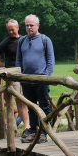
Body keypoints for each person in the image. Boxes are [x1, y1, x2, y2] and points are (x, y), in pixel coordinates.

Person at [16, 14, 55, 143]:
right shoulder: (22, 41)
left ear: (37, 25)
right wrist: (20, 75)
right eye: (27, 25)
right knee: (30, 106)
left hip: (41, 80)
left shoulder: (45, 40)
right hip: (26, 80)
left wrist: (46, 76)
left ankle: (44, 132)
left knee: (44, 106)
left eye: (31, 25)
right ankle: (33, 130)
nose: (29, 28)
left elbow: (50, 60)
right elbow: (18, 60)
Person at [0, 19, 28, 130]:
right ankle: (22, 127)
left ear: (18, 28)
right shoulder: (7, 41)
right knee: (19, 101)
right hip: (12, 75)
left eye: (12, 30)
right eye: (8, 30)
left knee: (26, 101)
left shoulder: (24, 40)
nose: (11, 32)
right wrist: (4, 69)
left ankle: (18, 126)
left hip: (25, 74)